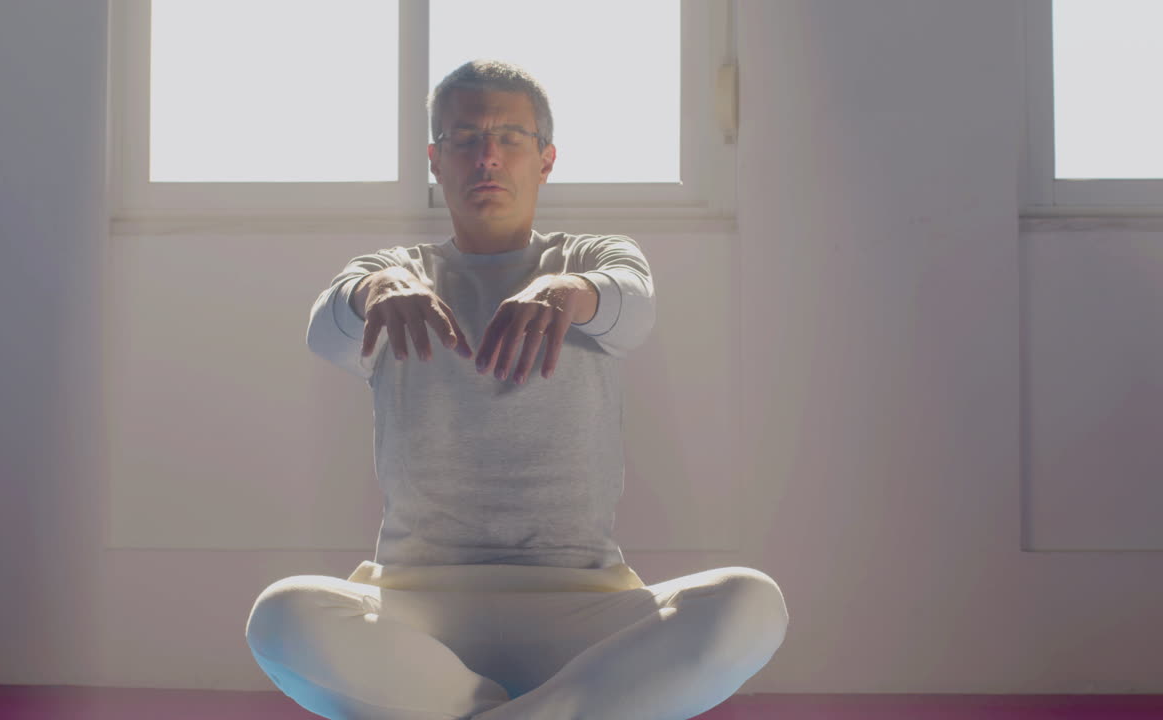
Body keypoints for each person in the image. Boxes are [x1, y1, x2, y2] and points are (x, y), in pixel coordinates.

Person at [245, 59, 788, 720]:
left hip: (583, 604)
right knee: (281, 616)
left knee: (752, 603)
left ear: (546, 159)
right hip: (416, 608)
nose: (488, 156)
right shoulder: (393, 272)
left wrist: (570, 291)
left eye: (510, 138)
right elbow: (324, 332)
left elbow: (635, 309)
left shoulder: (594, 258)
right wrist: (374, 289)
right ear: (435, 160)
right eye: (465, 138)